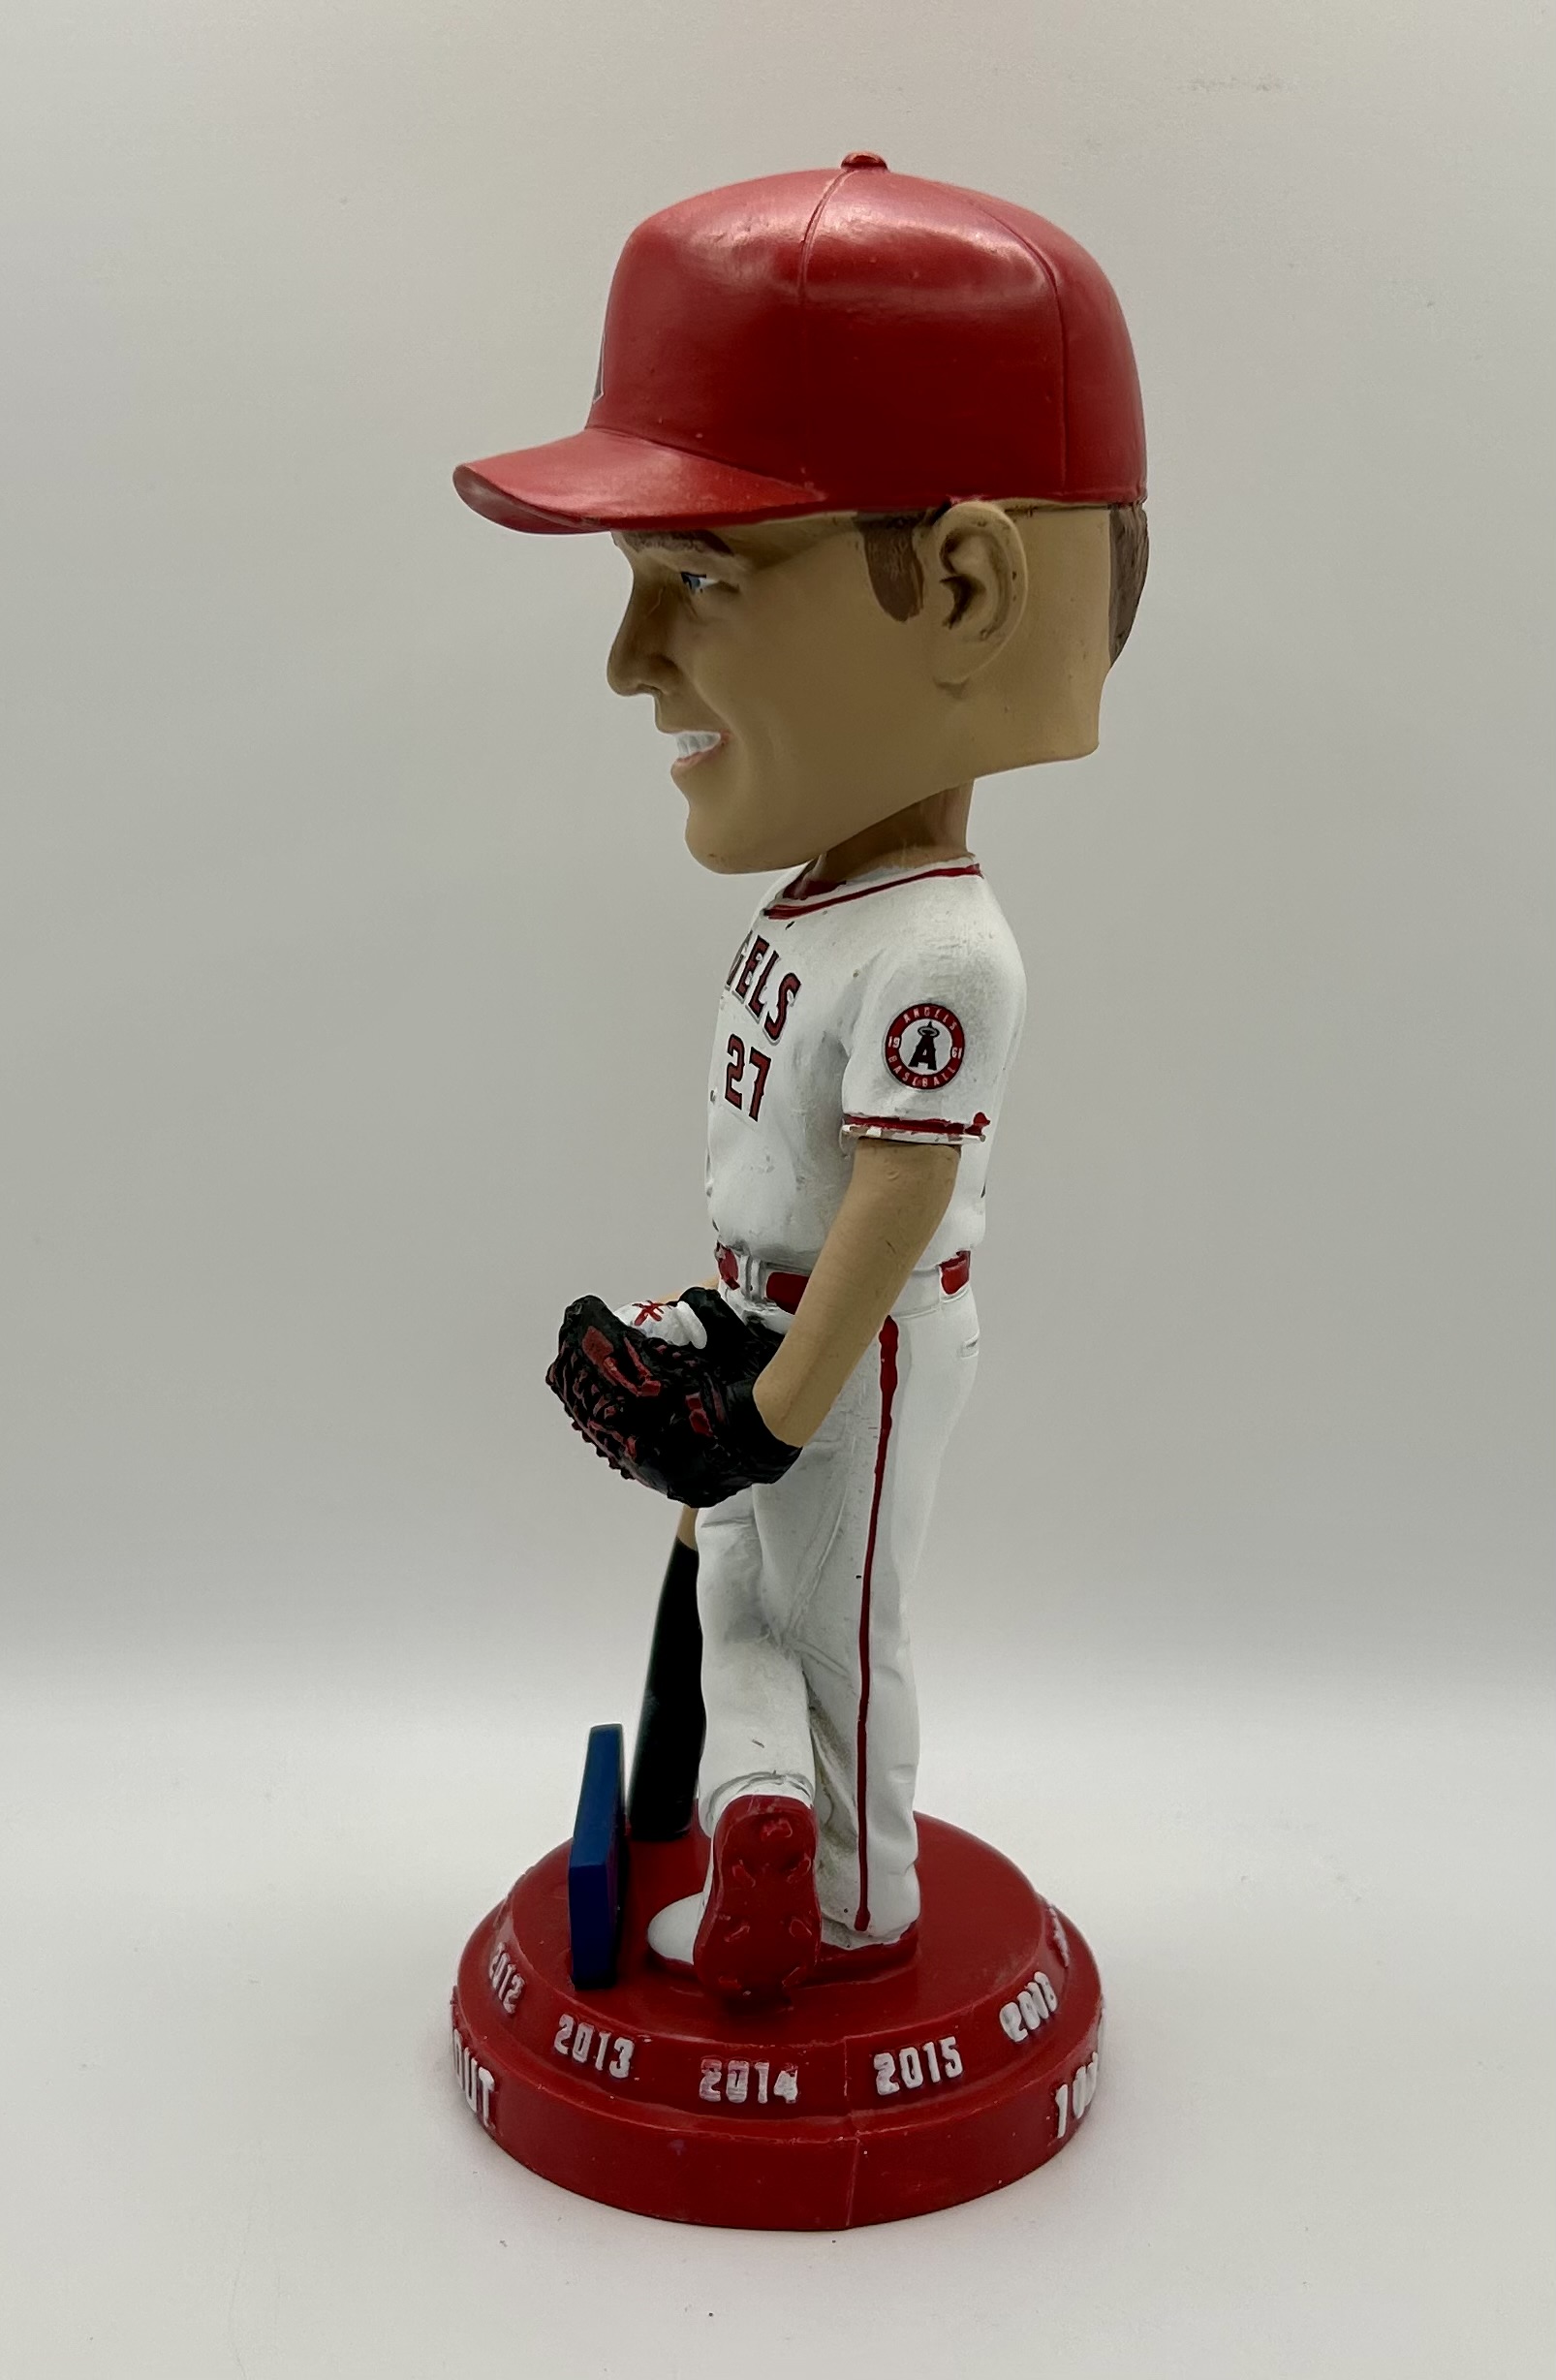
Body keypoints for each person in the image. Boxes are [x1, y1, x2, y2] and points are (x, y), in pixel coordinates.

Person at [454, 155, 1147, 2000]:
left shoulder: (943, 949)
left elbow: (898, 1195)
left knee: (836, 1623)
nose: (629, 661)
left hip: (860, 1343)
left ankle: (854, 1906)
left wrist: (772, 1406)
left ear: (966, 589)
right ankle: (759, 1822)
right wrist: (716, 1330)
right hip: (777, 1320)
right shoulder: (839, 893)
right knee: (733, 1589)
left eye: (698, 574)